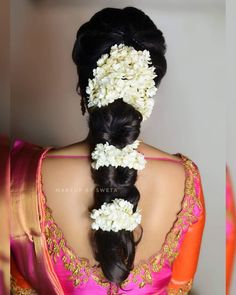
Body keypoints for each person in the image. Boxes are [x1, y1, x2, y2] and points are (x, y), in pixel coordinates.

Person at [10, 7, 206, 295]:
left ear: (84, 88)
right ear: (148, 92)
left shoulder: (23, 176)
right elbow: (180, 288)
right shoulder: (187, 179)